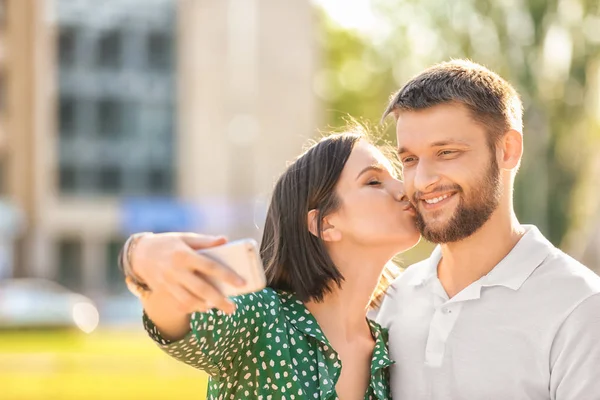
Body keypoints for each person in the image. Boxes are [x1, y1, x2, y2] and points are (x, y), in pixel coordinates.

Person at [122, 60, 600, 399]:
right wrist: (141, 256)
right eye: (406, 161)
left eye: (447, 152)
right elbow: (180, 322)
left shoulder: (578, 306)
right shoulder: (381, 309)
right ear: (324, 222)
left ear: (508, 151)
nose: (414, 184)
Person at [122, 131, 421, 399]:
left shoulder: (390, 348)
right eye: (373, 181)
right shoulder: (261, 317)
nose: (405, 188)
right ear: (325, 224)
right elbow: (174, 318)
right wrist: (141, 254)